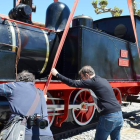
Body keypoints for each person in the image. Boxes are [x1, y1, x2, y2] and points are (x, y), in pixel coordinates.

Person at [51, 66, 123, 140]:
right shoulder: (102, 80)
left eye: (82, 78)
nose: (82, 80)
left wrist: (57, 74)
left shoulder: (92, 82)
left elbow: (72, 83)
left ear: (87, 75)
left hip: (108, 117)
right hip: (119, 115)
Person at [0, 71, 53, 140]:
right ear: (33, 82)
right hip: (47, 135)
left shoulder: (14, 86)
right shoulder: (40, 92)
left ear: (18, 80)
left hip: (24, 134)